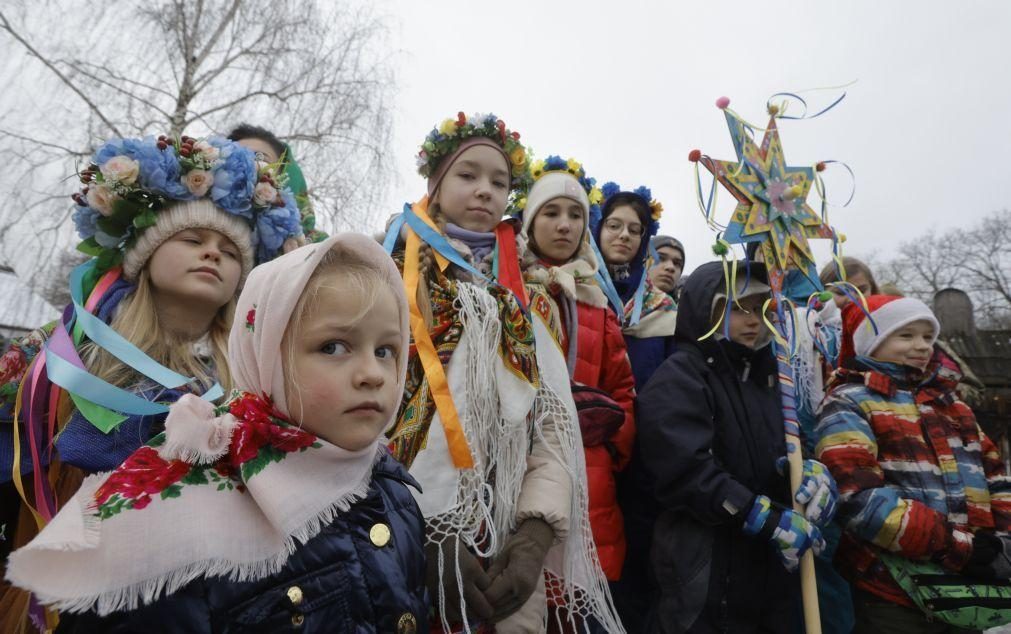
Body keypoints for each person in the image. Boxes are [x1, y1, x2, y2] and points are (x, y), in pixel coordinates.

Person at [6, 234, 429, 632]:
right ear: (265, 356)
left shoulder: (393, 488)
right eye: (333, 347)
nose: (373, 374)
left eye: (386, 351)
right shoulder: (180, 519)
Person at [0, 134, 302, 631]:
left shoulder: (253, 378)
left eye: (230, 251)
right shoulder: (70, 350)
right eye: (192, 239)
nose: (212, 254)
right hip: (65, 585)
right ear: (144, 253)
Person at [384, 113, 621, 633]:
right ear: (435, 183)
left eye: (499, 182)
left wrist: (535, 534)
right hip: (398, 531)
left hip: (507, 535)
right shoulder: (388, 279)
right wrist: (422, 531)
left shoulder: (528, 302)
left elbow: (553, 428)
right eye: (468, 175)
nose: (485, 191)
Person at [636, 261, 837, 633]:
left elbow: (791, 447)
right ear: (705, 309)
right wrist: (755, 513)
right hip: (705, 565)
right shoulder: (680, 376)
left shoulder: (772, 381)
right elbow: (683, 469)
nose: (753, 320)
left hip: (768, 570)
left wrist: (810, 474)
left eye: (762, 308)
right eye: (738, 307)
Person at [816, 295, 1011, 633]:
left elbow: (994, 474)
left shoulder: (951, 405)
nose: (921, 346)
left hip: (969, 583)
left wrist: (1002, 540)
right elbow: (857, 496)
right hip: (891, 588)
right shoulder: (849, 401)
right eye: (905, 336)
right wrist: (957, 547)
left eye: (927, 336)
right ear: (872, 342)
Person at [518, 156, 637, 592]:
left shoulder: (596, 304)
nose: (564, 225)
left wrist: (609, 450)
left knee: (580, 591)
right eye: (550, 213)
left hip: (590, 471)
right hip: (522, 460)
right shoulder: (508, 291)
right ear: (530, 223)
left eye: (575, 216)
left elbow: (622, 389)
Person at [594, 183, 676, 391]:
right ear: (598, 228)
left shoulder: (662, 307)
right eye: (614, 226)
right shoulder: (576, 289)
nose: (624, 235)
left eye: (634, 230)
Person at [228, 123, 327, 244]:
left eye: (259, 158)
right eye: (235, 156)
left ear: (283, 177)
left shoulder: (321, 248)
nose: (247, 163)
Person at [647, 235, 685, 301]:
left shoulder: (684, 310)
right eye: (660, 258)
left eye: (677, 263)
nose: (671, 267)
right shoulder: (623, 305)